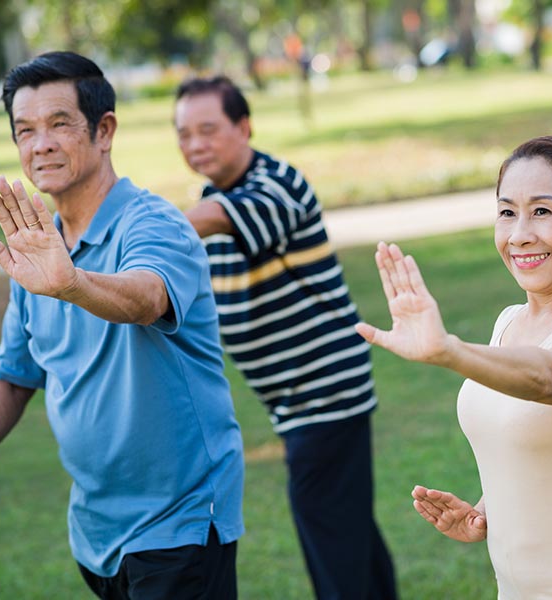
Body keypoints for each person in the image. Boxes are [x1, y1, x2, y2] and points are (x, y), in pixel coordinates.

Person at [0, 52, 244, 599]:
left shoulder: (153, 223)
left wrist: (72, 284)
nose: (40, 145)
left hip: (178, 519)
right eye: (25, 130)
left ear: (104, 130)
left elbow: (145, 298)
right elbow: (16, 371)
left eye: (59, 124)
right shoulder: (39, 249)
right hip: (97, 529)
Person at [356, 135, 552, 598]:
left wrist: (449, 351)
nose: (519, 234)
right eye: (506, 212)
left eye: (542, 211)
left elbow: (550, 378)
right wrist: (487, 509)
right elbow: (533, 444)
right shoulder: (509, 322)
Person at [173, 75, 397, 600]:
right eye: (183, 134)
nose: (195, 144)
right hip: (296, 399)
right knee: (348, 533)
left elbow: (213, 220)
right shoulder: (211, 193)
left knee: (331, 538)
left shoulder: (275, 184)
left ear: (244, 126)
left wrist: (138, 229)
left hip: (324, 391)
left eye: (208, 129)